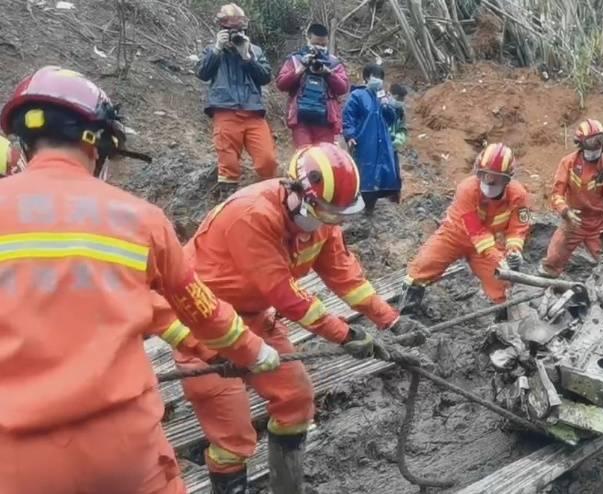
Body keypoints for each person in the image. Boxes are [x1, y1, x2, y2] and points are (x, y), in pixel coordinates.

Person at [0, 66, 280, 494]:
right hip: (124, 451)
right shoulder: (139, 218)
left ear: (24, 142)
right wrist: (255, 352)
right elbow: (202, 310)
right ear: (98, 145)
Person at [159, 143, 421, 493]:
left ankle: (287, 487)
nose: (328, 222)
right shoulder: (251, 216)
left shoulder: (323, 222)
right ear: (294, 189)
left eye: (336, 214)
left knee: (296, 400)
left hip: (252, 318)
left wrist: (390, 320)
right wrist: (345, 336)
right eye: (323, 211)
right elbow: (286, 295)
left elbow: (346, 278)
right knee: (233, 437)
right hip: (204, 324)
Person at [401, 143, 531, 315]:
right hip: (454, 235)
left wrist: (514, 250)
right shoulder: (467, 189)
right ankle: (406, 314)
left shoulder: (518, 195)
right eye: (485, 175)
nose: (490, 181)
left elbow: (518, 227)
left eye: (496, 178)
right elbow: (475, 230)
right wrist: (498, 257)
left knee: (502, 283)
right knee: (421, 268)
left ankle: (504, 321)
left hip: (488, 244)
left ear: (507, 179)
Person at [195, 3, 277, 199]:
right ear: (221, 29)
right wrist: (217, 49)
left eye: (239, 29)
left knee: (267, 160)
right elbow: (202, 73)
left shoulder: (254, 50)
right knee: (228, 162)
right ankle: (227, 201)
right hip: (225, 110)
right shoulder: (212, 50)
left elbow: (266, 77)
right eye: (230, 30)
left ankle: (268, 198)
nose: (235, 34)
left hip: (253, 111)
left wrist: (247, 57)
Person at [539, 119, 603, 277]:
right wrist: (566, 212)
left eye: (600, 141)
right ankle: (545, 285)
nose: (597, 146)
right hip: (573, 221)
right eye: (592, 142)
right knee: (552, 262)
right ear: (581, 144)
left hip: (599, 224)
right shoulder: (569, 163)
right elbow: (557, 194)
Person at [276, 23, 350, 148]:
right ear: (308, 39)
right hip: (300, 118)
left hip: (326, 120)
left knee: (325, 158)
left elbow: (343, 88)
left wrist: (328, 73)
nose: (320, 48)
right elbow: (281, 84)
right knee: (305, 156)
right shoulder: (296, 59)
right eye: (316, 43)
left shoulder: (333, 63)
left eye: (323, 45)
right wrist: (300, 69)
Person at [343, 64, 401, 214]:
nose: (378, 81)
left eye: (381, 78)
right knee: (364, 172)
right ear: (367, 78)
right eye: (375, 77)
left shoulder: (382, 97)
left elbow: (391, 119)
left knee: (381, 172)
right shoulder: (357, 96)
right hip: (365, 140)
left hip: (381, 141)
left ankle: (371, 208)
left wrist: (387, 105)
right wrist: (350, 135)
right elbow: (349, 116)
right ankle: (357, 205)